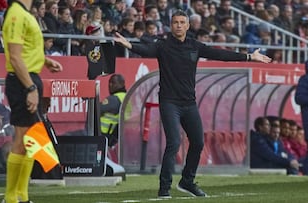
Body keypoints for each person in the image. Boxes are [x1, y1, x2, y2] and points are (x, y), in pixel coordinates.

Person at [113, 10, 271, 198]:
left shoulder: (195, 46)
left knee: (197, 142)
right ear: (171, 26)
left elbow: (219, 54)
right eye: (175, 22)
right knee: (174, 142)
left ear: (187, 26)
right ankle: (164, 189)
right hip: (169, 102)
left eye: (182, 22)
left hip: (189, 103)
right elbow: (146, 50)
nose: (178, 25)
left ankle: (187, 182)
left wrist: (248, 57)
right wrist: (129, 44)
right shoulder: (163, 46)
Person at [2, 0, 63, 203]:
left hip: (29, 77)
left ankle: (21, 195)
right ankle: (11, 198)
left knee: (30, 141)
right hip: (22, 81)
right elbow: (15, 57)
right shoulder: (16, 14)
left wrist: (44, 60)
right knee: (22, 139)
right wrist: (30, 88)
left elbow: (25, 49)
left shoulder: (24, 13)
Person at [100, 74, 126, 147]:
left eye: (113, 83)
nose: (110, 85)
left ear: (122, 84)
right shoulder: (126, 97)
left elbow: (97, 109)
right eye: (109, 82)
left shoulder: (114, 99)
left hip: (103, 136)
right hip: (115, 138)